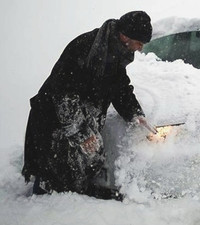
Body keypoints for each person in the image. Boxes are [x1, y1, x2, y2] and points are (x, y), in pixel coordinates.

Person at [22, 11, 155, 200]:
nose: (140, 49)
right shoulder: (85, 47)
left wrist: (135, 113)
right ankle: (41, 209)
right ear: (125, 36)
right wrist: (83, 133)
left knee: (78, 173)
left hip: (78, 118)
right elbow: (64, 96)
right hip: (55, 120)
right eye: (139, 43)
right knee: (52, 179)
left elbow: (119, 87)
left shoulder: (116, 52)